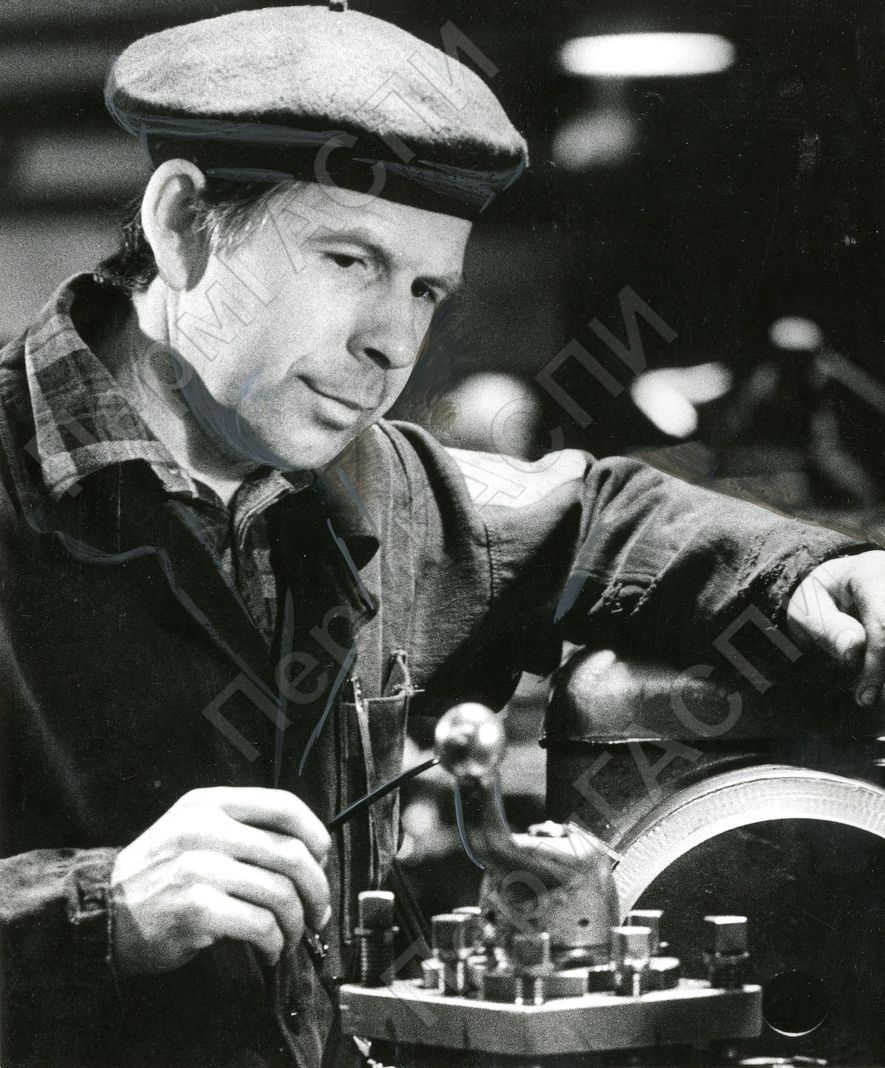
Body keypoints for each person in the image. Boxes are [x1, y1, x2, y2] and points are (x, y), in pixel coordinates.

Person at [1, 6, 884, 1067]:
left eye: (426, 289)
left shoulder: (377, 485)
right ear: (185, 222)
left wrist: (816, 570)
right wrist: (93, 912)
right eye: (349, 260)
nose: (393, 343)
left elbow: (599, 514)